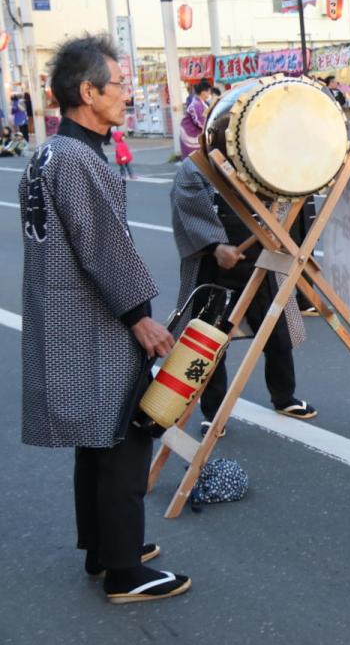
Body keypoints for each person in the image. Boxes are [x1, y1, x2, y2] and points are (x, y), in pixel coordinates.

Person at [20, 34, 191, 604]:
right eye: (119, 85)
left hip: (63, 317)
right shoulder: (76, 158)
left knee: (94, 440)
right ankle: (124, 572)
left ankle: (102, 549)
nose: (128, 96)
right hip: (93, 323)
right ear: (87, 92)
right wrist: (140, 317)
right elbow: (104, 248)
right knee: (124, 439)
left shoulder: (48, 152)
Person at [170, 157, 317, 431]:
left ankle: (284, 395)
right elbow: (189, 210)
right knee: (210, 339)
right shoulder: (197, 166)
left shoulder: (261, 158)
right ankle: (213, 411)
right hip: (214, 261)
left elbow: (285, 199)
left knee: (276, 331)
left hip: (261, 254)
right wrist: (215, 246)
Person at [180, 80, 212, 159]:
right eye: (208, 92)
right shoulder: (196, 104)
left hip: (193, 134)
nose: (209, 94)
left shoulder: (200, 103)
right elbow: (200, 122)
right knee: (195, 160)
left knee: (197, 160)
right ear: (203, 92)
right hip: (190, 135)